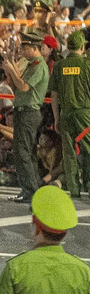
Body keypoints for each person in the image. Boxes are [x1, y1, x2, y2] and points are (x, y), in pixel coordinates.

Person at [3, 33, 50, 203]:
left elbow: (23, 87)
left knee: (24, 152)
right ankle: (27, 188)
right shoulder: (31, 65)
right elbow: (17, 86)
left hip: (29, 112)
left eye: (25, 48)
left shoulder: (38, 66)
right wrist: (10, 69)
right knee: (22, 151)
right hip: (22, 110)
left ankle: (31, 190)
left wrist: (12, 70)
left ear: (34, 48)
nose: (22, 51)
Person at [49, 30, 90, 199]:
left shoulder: (59, 66)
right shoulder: (87, 65)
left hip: (65, 114)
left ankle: (74, 189)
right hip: (85, 114)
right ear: (82, 46)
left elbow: (54, 95)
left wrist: (57, 118)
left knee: (69, 153)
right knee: (88, 150)